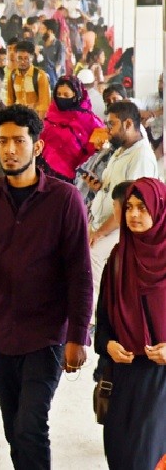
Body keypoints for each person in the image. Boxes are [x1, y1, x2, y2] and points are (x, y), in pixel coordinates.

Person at [0, 105, 92, 469]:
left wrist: (78, 336)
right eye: (3, 141)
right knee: (14, 429)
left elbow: (80, 272)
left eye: (18, 141)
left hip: (47, 335)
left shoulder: (65, 199)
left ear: (37, 146)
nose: (9, 149)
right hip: (3, 333)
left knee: (30, 427)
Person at [95, 177, 166, 470]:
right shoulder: (118, 259)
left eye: (142, 208)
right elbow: (103, 321)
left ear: (159, 211)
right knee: (120, 455)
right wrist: (108, 345)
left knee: (144, 458)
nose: (134, 214)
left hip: (160, 376)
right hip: (124, 374)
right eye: (129, 207)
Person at [84, 101, 159, 313]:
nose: (107, 129)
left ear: (128, 124)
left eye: (112, 124)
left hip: (122, 227)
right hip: (104, 222)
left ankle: (97, 318)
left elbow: (130, 205)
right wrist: (99, 187)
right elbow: (115, 189)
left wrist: (99, 233)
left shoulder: (141, 156)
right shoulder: (121, 150)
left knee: (92, 260)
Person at [39, 75, 104, 182]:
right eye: (58, 94)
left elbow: (99, 148)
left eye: (66, 95)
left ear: (76, 95)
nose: (61, 98)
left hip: (77, 178)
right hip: (47, 176)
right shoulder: (50, 117)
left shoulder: (90, 121)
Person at [7, 40, 51, 119]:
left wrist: (38, 125)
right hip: (17, 119)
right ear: (16, 57)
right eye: (19, 58)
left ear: (32, 57)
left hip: (34, 119)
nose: (22, 62)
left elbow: (44, 106)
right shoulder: (12, 75)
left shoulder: (40, 76)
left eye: (26, 58)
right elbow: (10, 102)